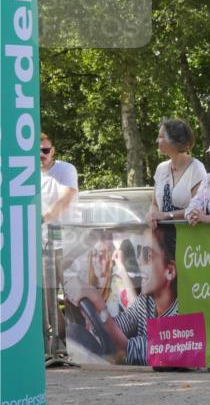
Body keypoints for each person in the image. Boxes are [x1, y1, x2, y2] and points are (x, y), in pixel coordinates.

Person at [67, 225, 177, 366]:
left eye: (147, 255)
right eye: (138, 253)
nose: (139, 261)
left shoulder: (180, 314)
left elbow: (128, 350)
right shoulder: (146, 302)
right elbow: (118, 326)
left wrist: (98, 304)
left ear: (169, 271)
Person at [39, 133, 80, 353]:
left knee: (73, 295)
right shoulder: (28, 176)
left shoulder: (65, 170)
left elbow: (66, 198)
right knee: (48, 297)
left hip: (69, 241)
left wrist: (44, 217)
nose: (41, 155)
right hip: (43, 243)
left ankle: (80, 345)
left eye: (45, 151)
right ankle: (58, 345)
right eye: (36, 151)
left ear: (53, 150)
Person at [149, 118, 207, 224]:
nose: (157, 140)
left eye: (161, 137)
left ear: (174, 142)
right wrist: (152, 216)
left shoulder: (196, 169)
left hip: (188, 235)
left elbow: (199, 208)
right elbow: (154, 204)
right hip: (162, 235)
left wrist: (167, 215)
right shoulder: (161, 169)